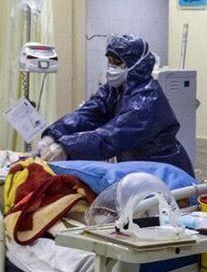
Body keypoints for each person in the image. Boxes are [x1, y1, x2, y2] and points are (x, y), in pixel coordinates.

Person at [35, 35, 194, 177]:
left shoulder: (147, 100)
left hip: (166, 172)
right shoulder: (115, 89)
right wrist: (53, 135)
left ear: (136, 65)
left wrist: (66, 147)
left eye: (117, 63)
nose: (111, 68)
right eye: (110, 62)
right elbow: (88, 114)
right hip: (137, 168)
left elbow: (111, 136)